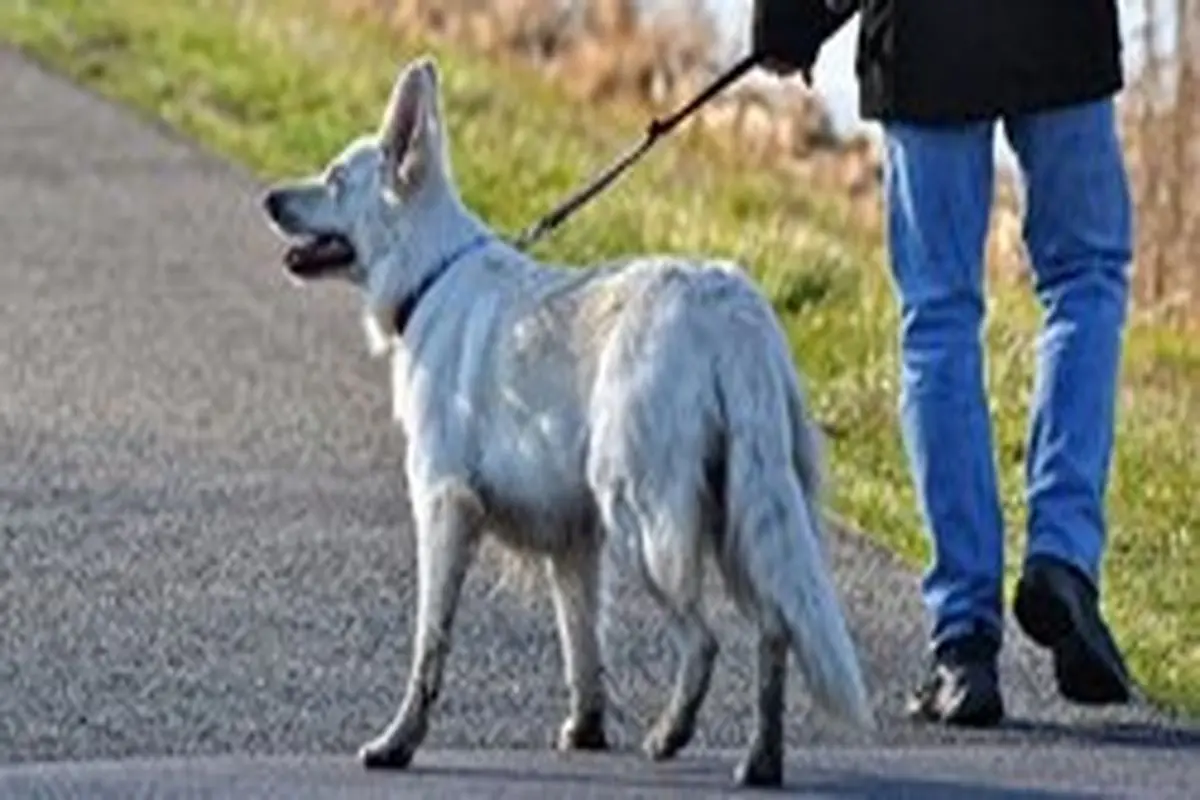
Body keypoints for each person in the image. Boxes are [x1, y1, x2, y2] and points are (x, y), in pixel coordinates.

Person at [748, 0, 1136, 726]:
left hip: (928, 40)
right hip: (1062, 31)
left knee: (939, 318)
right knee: (1085, 279)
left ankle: (963, 644)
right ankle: (1063, 553)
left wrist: (791, 16)